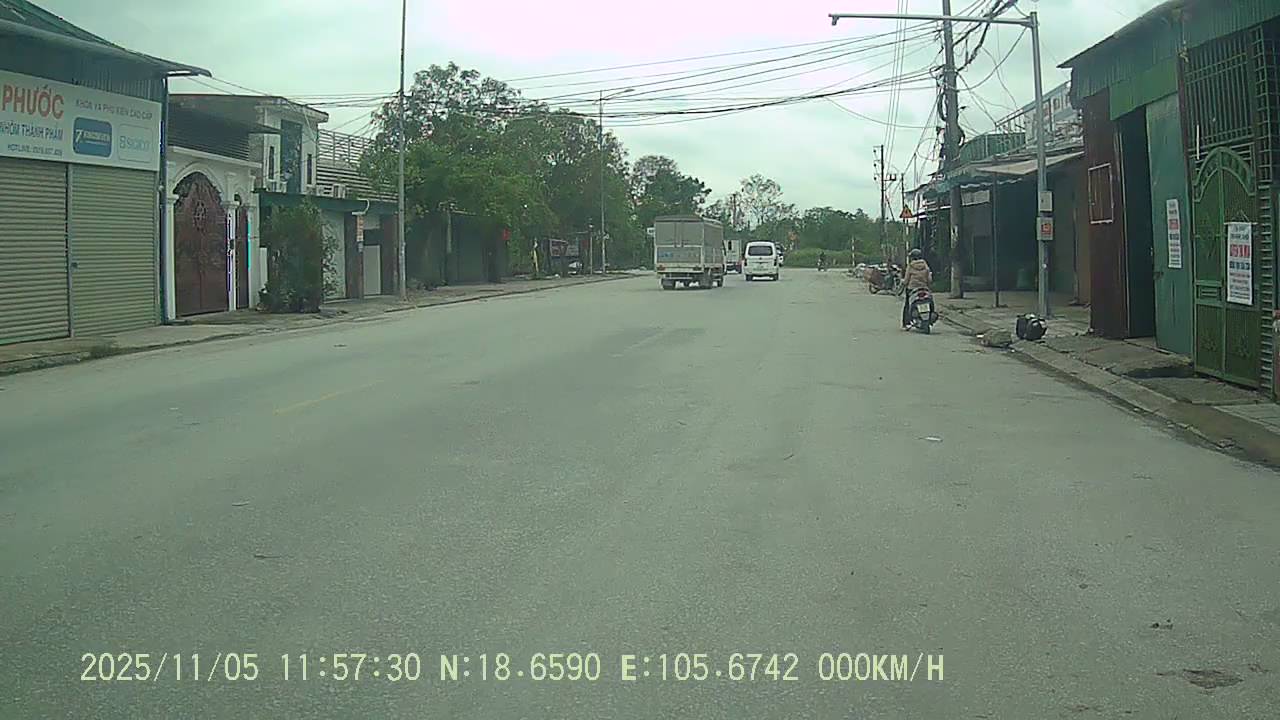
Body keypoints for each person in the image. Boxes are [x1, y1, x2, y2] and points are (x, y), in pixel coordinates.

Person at [900, 248, 932, 329]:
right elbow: (929, 279)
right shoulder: (925, 265)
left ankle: (906, 322)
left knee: (907, 304)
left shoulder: (911, 266)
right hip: (924, 288)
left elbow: (906, 280)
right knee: (930, 300)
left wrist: (904, 283)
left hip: (912, 289)